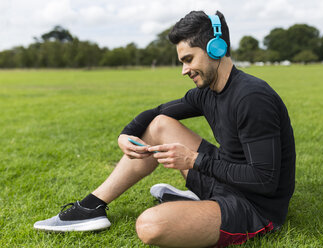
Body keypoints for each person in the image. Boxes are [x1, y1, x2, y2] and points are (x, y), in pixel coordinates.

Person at [34, 10, 296, 247]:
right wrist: (126, 133)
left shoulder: (252, 97)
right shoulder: (208, 92)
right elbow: (159, 112)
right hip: (225, 181)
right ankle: (91, 207)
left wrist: (194, 160)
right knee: (159, 125)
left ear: (217, 49)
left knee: (150, 225)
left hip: (254, 206)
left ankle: (198, 206)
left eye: (189, 59)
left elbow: (265, 181)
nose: (184, 70)